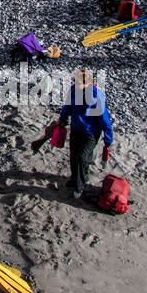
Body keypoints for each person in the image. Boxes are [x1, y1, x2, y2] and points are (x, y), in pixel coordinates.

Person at [59, 68, 113, 199]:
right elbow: (67, 105)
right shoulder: (73, 90)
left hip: (91, 133)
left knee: (81, 158)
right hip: (76, 128)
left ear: (88, 83)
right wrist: (63, 118)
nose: (76, 86)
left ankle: (80, 185)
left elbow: (104, 118)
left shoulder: (96, 96)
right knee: (73, 156)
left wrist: (108, 138)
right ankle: (74, 179)